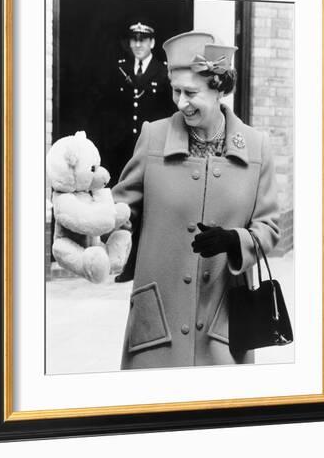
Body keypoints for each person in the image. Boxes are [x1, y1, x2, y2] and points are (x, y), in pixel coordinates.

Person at [112, 30, 280, 369]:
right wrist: (97, 222)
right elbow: (120, 210)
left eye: (191, 92)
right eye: (175, 91)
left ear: (219, 89)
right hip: (158, 321)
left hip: (223, 323)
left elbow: (269, 228)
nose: (180, 102)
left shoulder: (257, 147)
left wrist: (236, 240)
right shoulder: (153, 137)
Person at [100, 21, 174, 283]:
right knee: (124, 204)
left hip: (152, 150)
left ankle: (141, 264)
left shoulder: (164, 73)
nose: (139, 44)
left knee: (149, 206)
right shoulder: (120, 69)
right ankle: (125, 262)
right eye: (134, 39)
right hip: (124, 150)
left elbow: (169, 113)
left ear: (153, 43)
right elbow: (108, 110)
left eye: (144, 39)